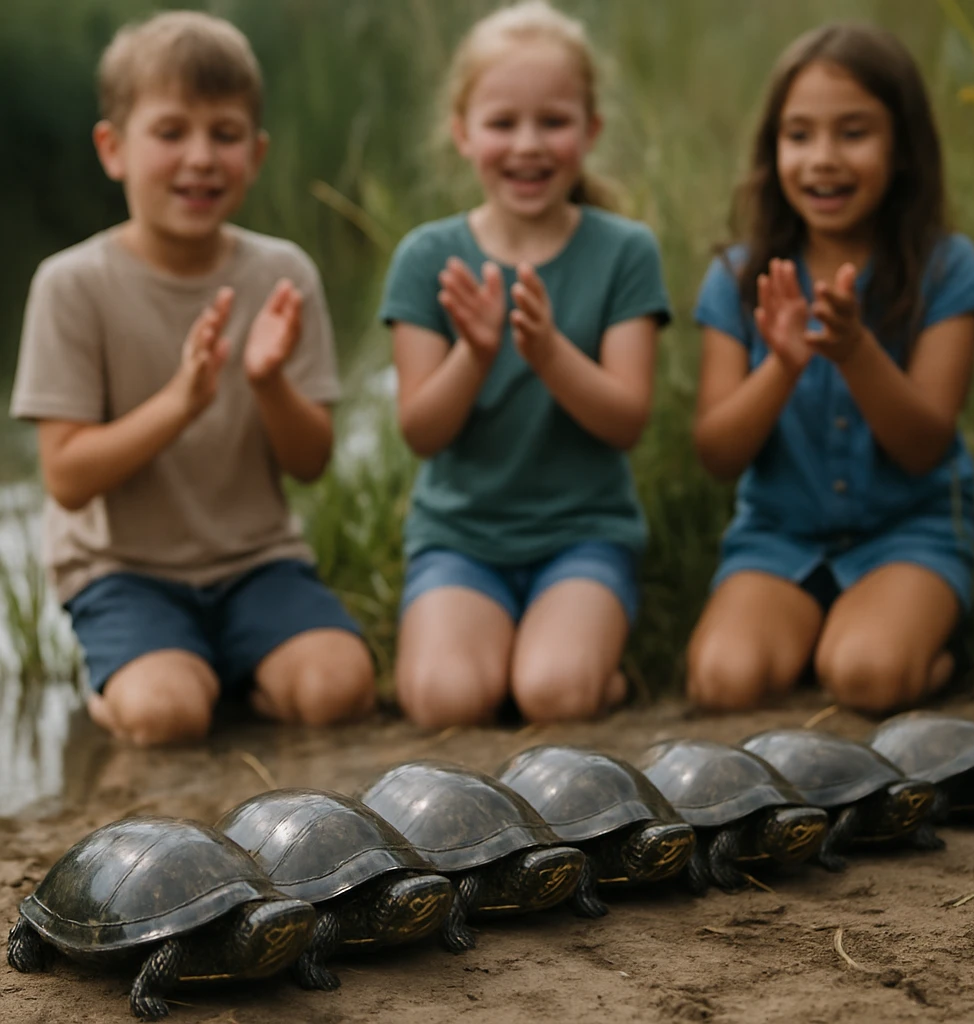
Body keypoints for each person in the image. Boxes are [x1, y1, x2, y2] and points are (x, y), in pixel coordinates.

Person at [9, 11, 375, 746]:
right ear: (113, 149)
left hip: (257, 562)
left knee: (341, 688)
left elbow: (310, 464)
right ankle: (135, 685)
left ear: (258, 152)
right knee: (166, 715)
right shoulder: (71, 284)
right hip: (125, 570)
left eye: (226, 134)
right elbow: (68, 478)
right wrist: (180, 404)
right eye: (171, 133)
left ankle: (230, 668)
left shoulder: (282, 273)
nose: (201, 157)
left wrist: (268, 382)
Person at [378, 0, 671, 729]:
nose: (528, 145)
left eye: (554, 121)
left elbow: (626, 420)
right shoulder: (425, 256)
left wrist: (545, 351)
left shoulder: (625, 251)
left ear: (591, 130)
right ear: (463, 132)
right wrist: (476, 354)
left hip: (582, 533)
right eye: (503, 122)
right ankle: (488, 647)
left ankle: (592, 670)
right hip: (462, 540)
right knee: (446, 704)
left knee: (555, 696)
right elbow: (422, 431)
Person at [686, 23, 974, 715]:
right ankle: (825, 629)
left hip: (911, 530)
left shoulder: (947, 268)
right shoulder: (737, 277)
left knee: (867, 676)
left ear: (904, 150)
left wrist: (855, 351)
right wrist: (783, 366)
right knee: (722, 680)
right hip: (779, 538)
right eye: (799, 135)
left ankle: (923, 651)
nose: (822, 159)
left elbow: (924, 447)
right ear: (772, 151)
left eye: (853, 133)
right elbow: (717, 452)